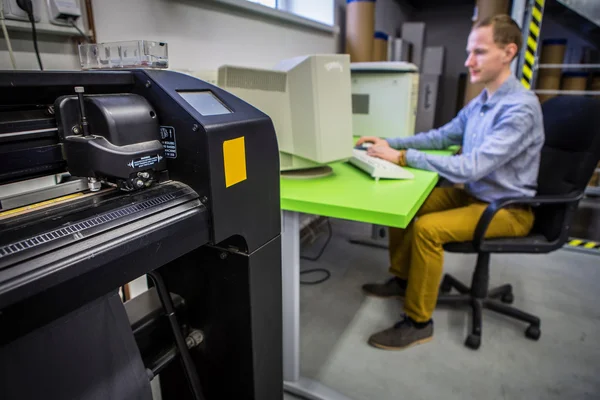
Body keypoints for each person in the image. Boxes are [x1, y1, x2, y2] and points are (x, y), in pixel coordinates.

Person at [356, 14, 544, 351]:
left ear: (509, 52)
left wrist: (403, 158)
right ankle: (403, 279)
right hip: (476, 197)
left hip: (508, 209)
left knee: (428, 228)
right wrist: (391, 142)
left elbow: (472, 167)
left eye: (479, 52)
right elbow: (441, 136)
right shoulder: (481, 103)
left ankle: (418, 322)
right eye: (470, 51)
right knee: (404, 202)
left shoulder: (520, 109)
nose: (468, 61)